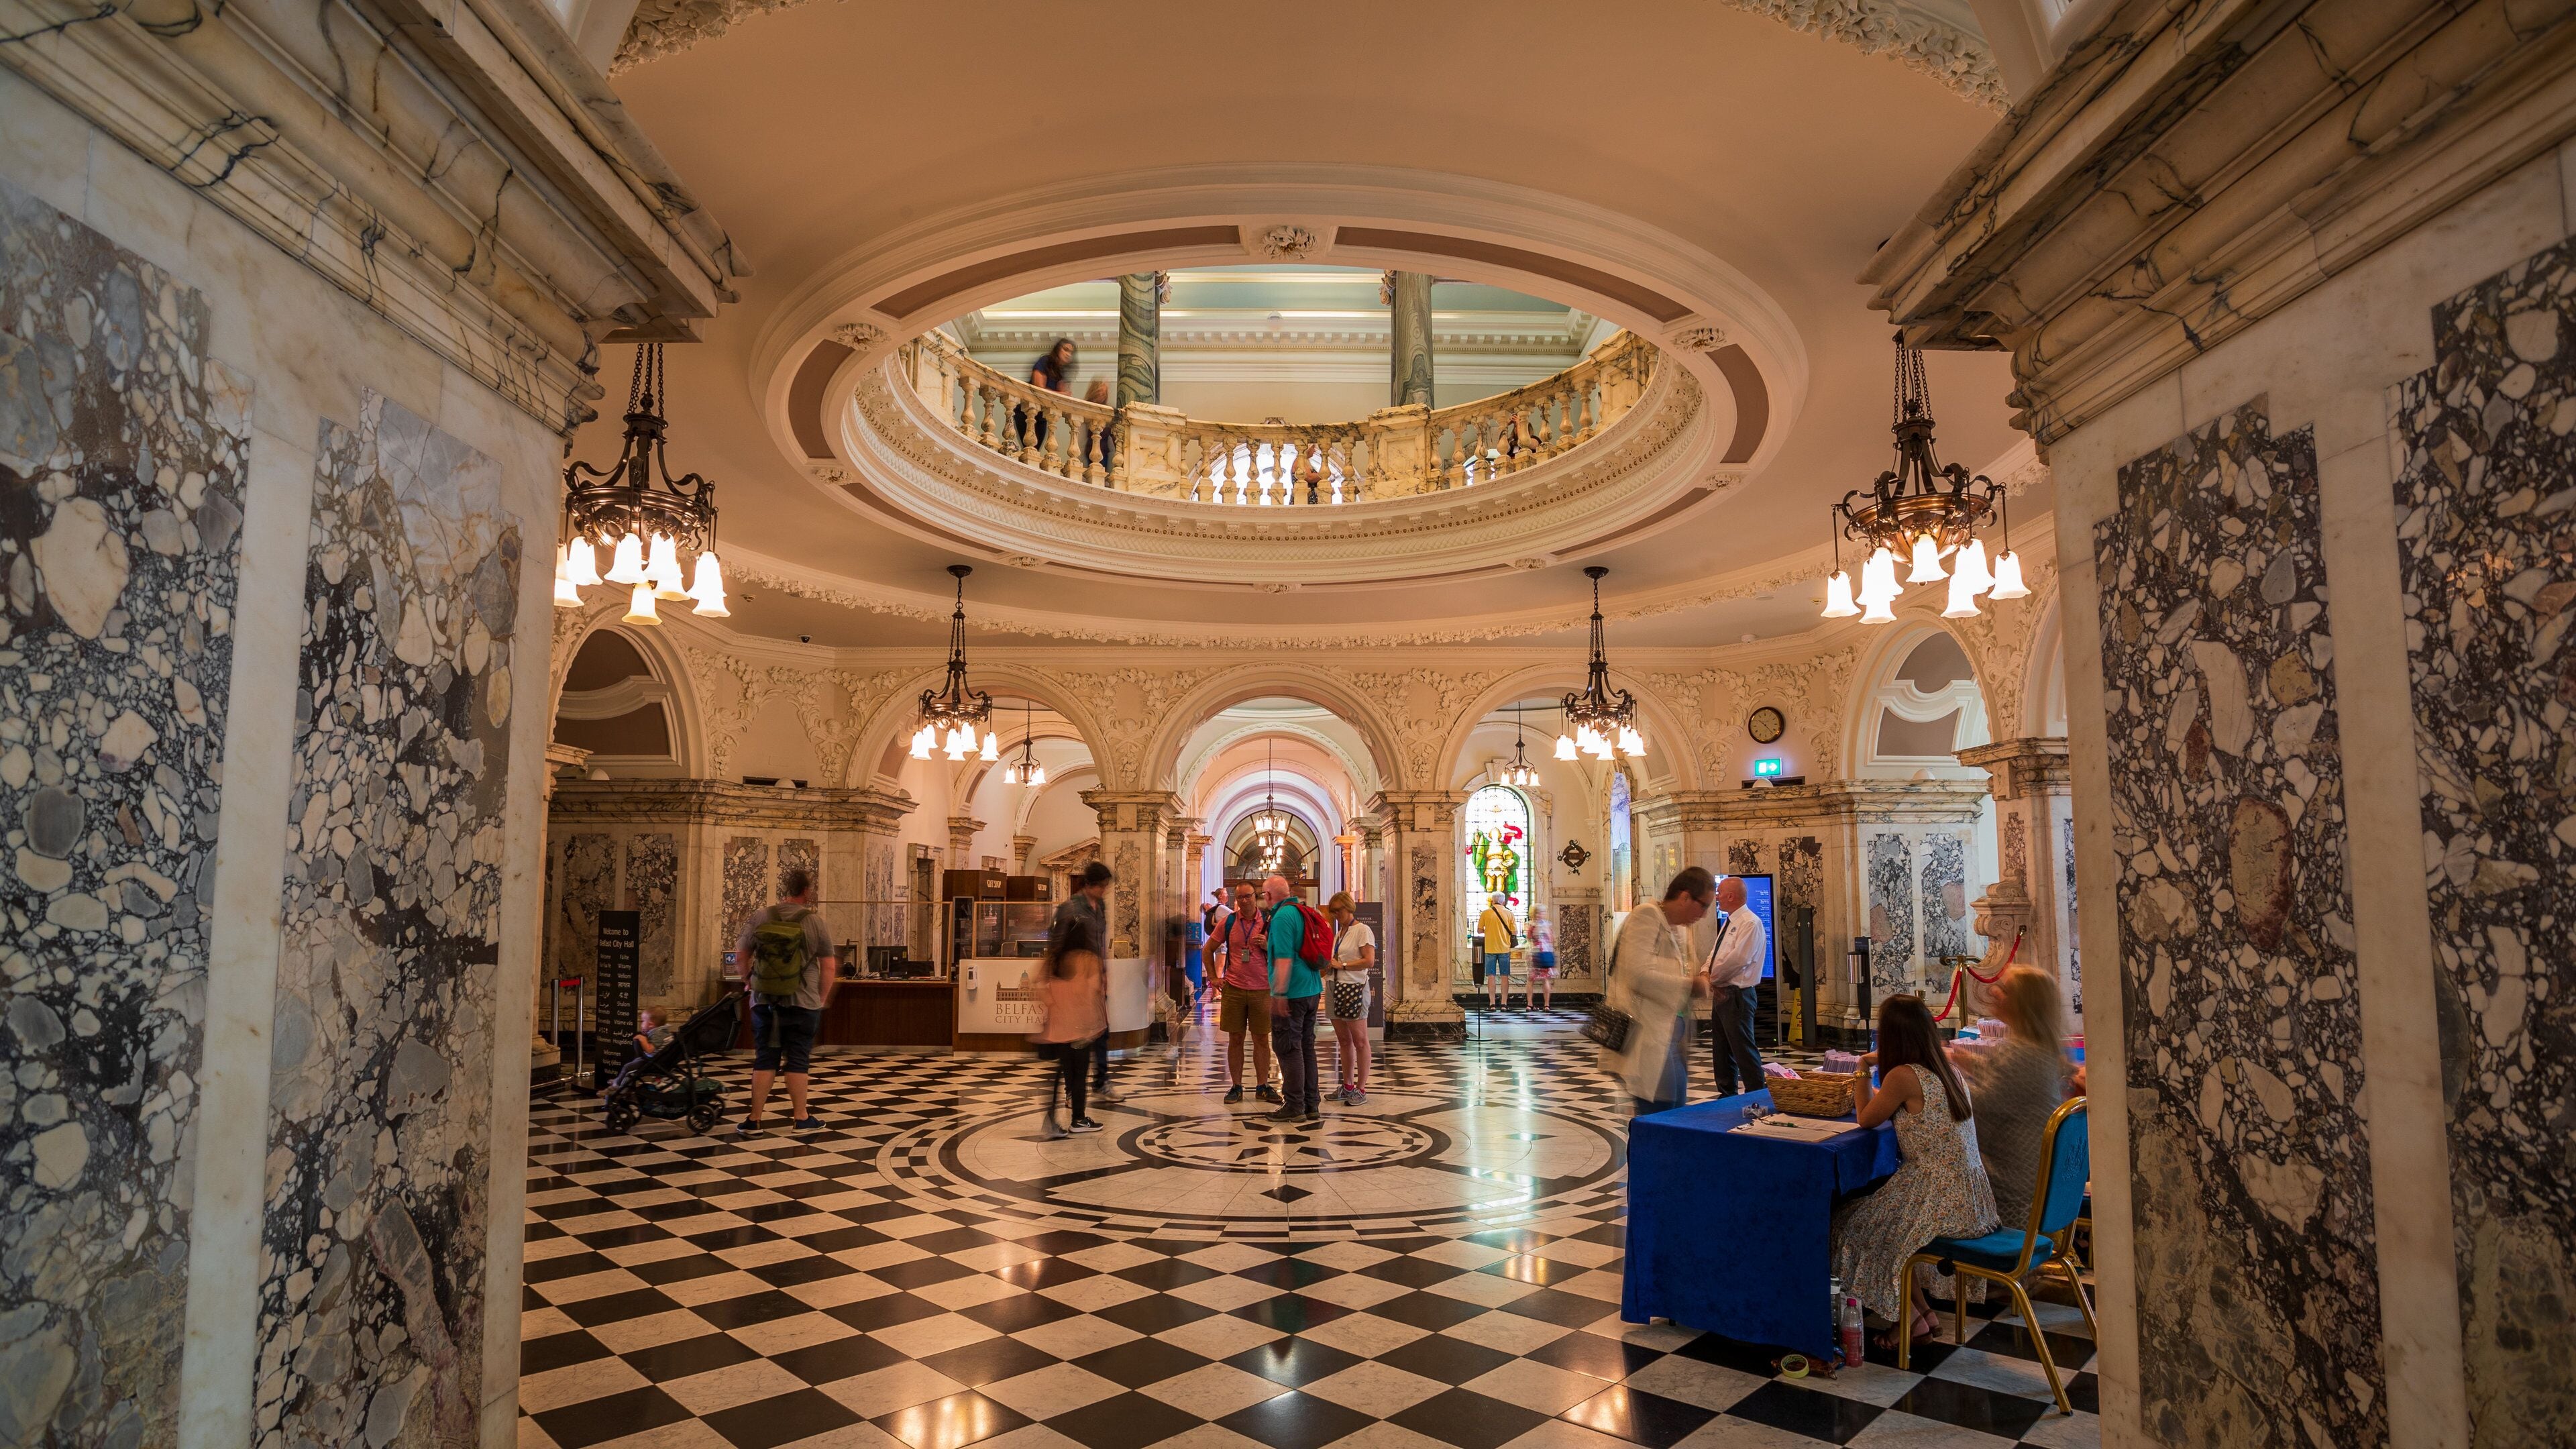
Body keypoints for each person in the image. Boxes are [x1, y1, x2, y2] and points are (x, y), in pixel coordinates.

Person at [1831, 995, 2001, 1347]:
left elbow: (1865, 1118)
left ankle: (1907, 1320)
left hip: (1937, 1195)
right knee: (1887, 1230)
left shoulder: (1903, 1076)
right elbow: (1895, 1103)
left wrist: (1862, 1065)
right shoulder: (1946, 1068)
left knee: (1852, 1226)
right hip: (1970, 1197)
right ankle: (1922, 1315)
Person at [1960, 965, 2074, 1227]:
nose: (1994, 992)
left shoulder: (2020, 1054)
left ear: (2023, 1003)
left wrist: (1936, 1082)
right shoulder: (2037, 1049)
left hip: (2008, 1198)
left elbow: (1973, 1110)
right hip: (2035, 1186)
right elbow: (2003, 1086)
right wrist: (1965, 1061)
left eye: (2005, 989)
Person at [732, 869, 837, 1136]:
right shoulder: (815, 922)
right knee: (798, 1059)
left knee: (765, 1058)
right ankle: (801, 1118)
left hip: (764, 1000)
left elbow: (740, 953)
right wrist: (821, 998)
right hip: (804, 1002)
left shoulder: (761, 917)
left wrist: (749, 980)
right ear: (807, 891)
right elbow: (828, 966)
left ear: (784, 889)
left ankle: (754, 1120)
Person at [1606, 869, 1713, 1114]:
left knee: (1674, 1110)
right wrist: (1690, 984)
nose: (1705, 914)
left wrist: (1703, 980)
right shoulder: (1647, 915)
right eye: (1703, 905)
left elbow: (1684, 972)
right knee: (1659, 1113)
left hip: (1671, 1037)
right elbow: (1637, 973)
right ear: (1685, 897)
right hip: (1647, 1035)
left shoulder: (1680, 929)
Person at [1030, 912, 1109, 1138]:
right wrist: (1099, 1022)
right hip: (1080, 1028)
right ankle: (1078, 1119)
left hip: (1057, 1028)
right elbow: (1095, 993)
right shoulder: (1088, 959)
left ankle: (1051, 1119)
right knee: (1079, 1073)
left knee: (1060, 1074)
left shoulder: (1054, 959)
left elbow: (1036, 984)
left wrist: (1052, 1004)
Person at [1265, 874, 1326, 1124]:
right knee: (1306, 1047)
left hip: (1293, 993)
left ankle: (1294, 1104)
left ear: (1268, 896)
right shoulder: (1303, 911)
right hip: (1312, 989)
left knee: (1288, 1048)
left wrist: (1279, 994)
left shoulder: (1281, 918)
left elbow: (1284, 958)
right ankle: (1312, 1104)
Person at [1703, 877, 1768, 1097]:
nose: (1717, 897)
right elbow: (1716, 953)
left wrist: (1711, 978)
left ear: (1731, 896)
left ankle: (1756, 1095)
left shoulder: (1750, 923)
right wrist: (1705, 971)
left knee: (1742, 1049)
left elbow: (1739, 959)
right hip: (1722, 991)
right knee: (1721, 1049)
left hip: (1737, 994)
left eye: (1720, 892)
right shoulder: (1729, 922)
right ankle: (1726, 1095)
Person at [1057, 861, 1116, 1102]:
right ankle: (1072, 1090)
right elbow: (1058, 944)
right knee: (1075, 1039)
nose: (1104, 891)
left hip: (1094, 979)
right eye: (1102, 886)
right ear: (1090, 884)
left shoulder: (1099, 906)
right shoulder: (1070, 908)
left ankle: (1101, 1082)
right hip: (1073, 981)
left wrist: (1103, 972)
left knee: (1102, 1032)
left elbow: (1099, 942)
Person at [1213, 881, 1277, 1104]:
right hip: (1235, 988)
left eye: (1248, 896)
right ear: (1235, 899)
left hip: (1262, 988)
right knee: (1236, 1038)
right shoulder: (1229, 922)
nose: (1244, 901)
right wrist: (1214, 978)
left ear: (1255, 896)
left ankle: (1263, 1085)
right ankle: (1236, 1086)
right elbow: (1208, 949)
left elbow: (1285, 952)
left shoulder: (1269, 921)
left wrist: (1267, 945)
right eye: (1239, 897)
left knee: (1261, 1038)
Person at [1325, 892, 1374, 1104]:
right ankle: (1347, 1085)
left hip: (1354, 987)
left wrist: (1343, 965)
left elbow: (1369, 961)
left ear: (1349, 907)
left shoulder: (1362, 930)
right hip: (1335, 986)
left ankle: (1361, 1089)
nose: (1336, 915)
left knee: (1360, 1041)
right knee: (1344, 1041)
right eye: (1333, 912)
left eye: (1339, 910)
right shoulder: (1340, 932)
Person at [1477, 897, 1518, 1009]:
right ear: (1503, 902)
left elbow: (1479, 930)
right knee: (1504, 976)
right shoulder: (1509, 913)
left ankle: (1492, 1004)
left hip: (1490, 948)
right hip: (1504, 949)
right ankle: (1504, 1004)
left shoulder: (1485, 913)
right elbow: (1514, 932)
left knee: (1491, 976)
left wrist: (1489, 931)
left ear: (1492, 901)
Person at [1526, 905, 1556, 1010]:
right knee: (1540, 979)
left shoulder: (1533, 925)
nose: (1540, 915)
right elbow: (1551, 939)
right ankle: (1541, 1005)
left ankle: (1536, 1004)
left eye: (1542, 913)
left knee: (1537, 980)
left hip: (1538, 954)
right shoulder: (1543, 925)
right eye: (1539, 913)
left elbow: (1530, 939)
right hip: (1541, 954)